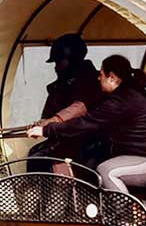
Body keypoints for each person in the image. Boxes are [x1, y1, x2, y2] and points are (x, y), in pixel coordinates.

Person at [28, 54, 146, 193]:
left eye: (101, 74)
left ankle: (126, 219)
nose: (98, 78)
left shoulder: (122, 100)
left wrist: (46, 130)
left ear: (112, 78)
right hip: (144, 156)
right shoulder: (125, 94)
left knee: (107, 171)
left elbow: (86, 123)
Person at [26, 34, 107, 174]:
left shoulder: (94, 81)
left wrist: (53, 121)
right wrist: (41, 123)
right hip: (67, 138)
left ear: (73, 60)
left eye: (58, 62)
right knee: (36, 155)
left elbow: (80, 107)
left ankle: (66, 193)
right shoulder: (59, 86)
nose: (56, 68)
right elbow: (48, 116)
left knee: (50, 159)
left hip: (93, 141)